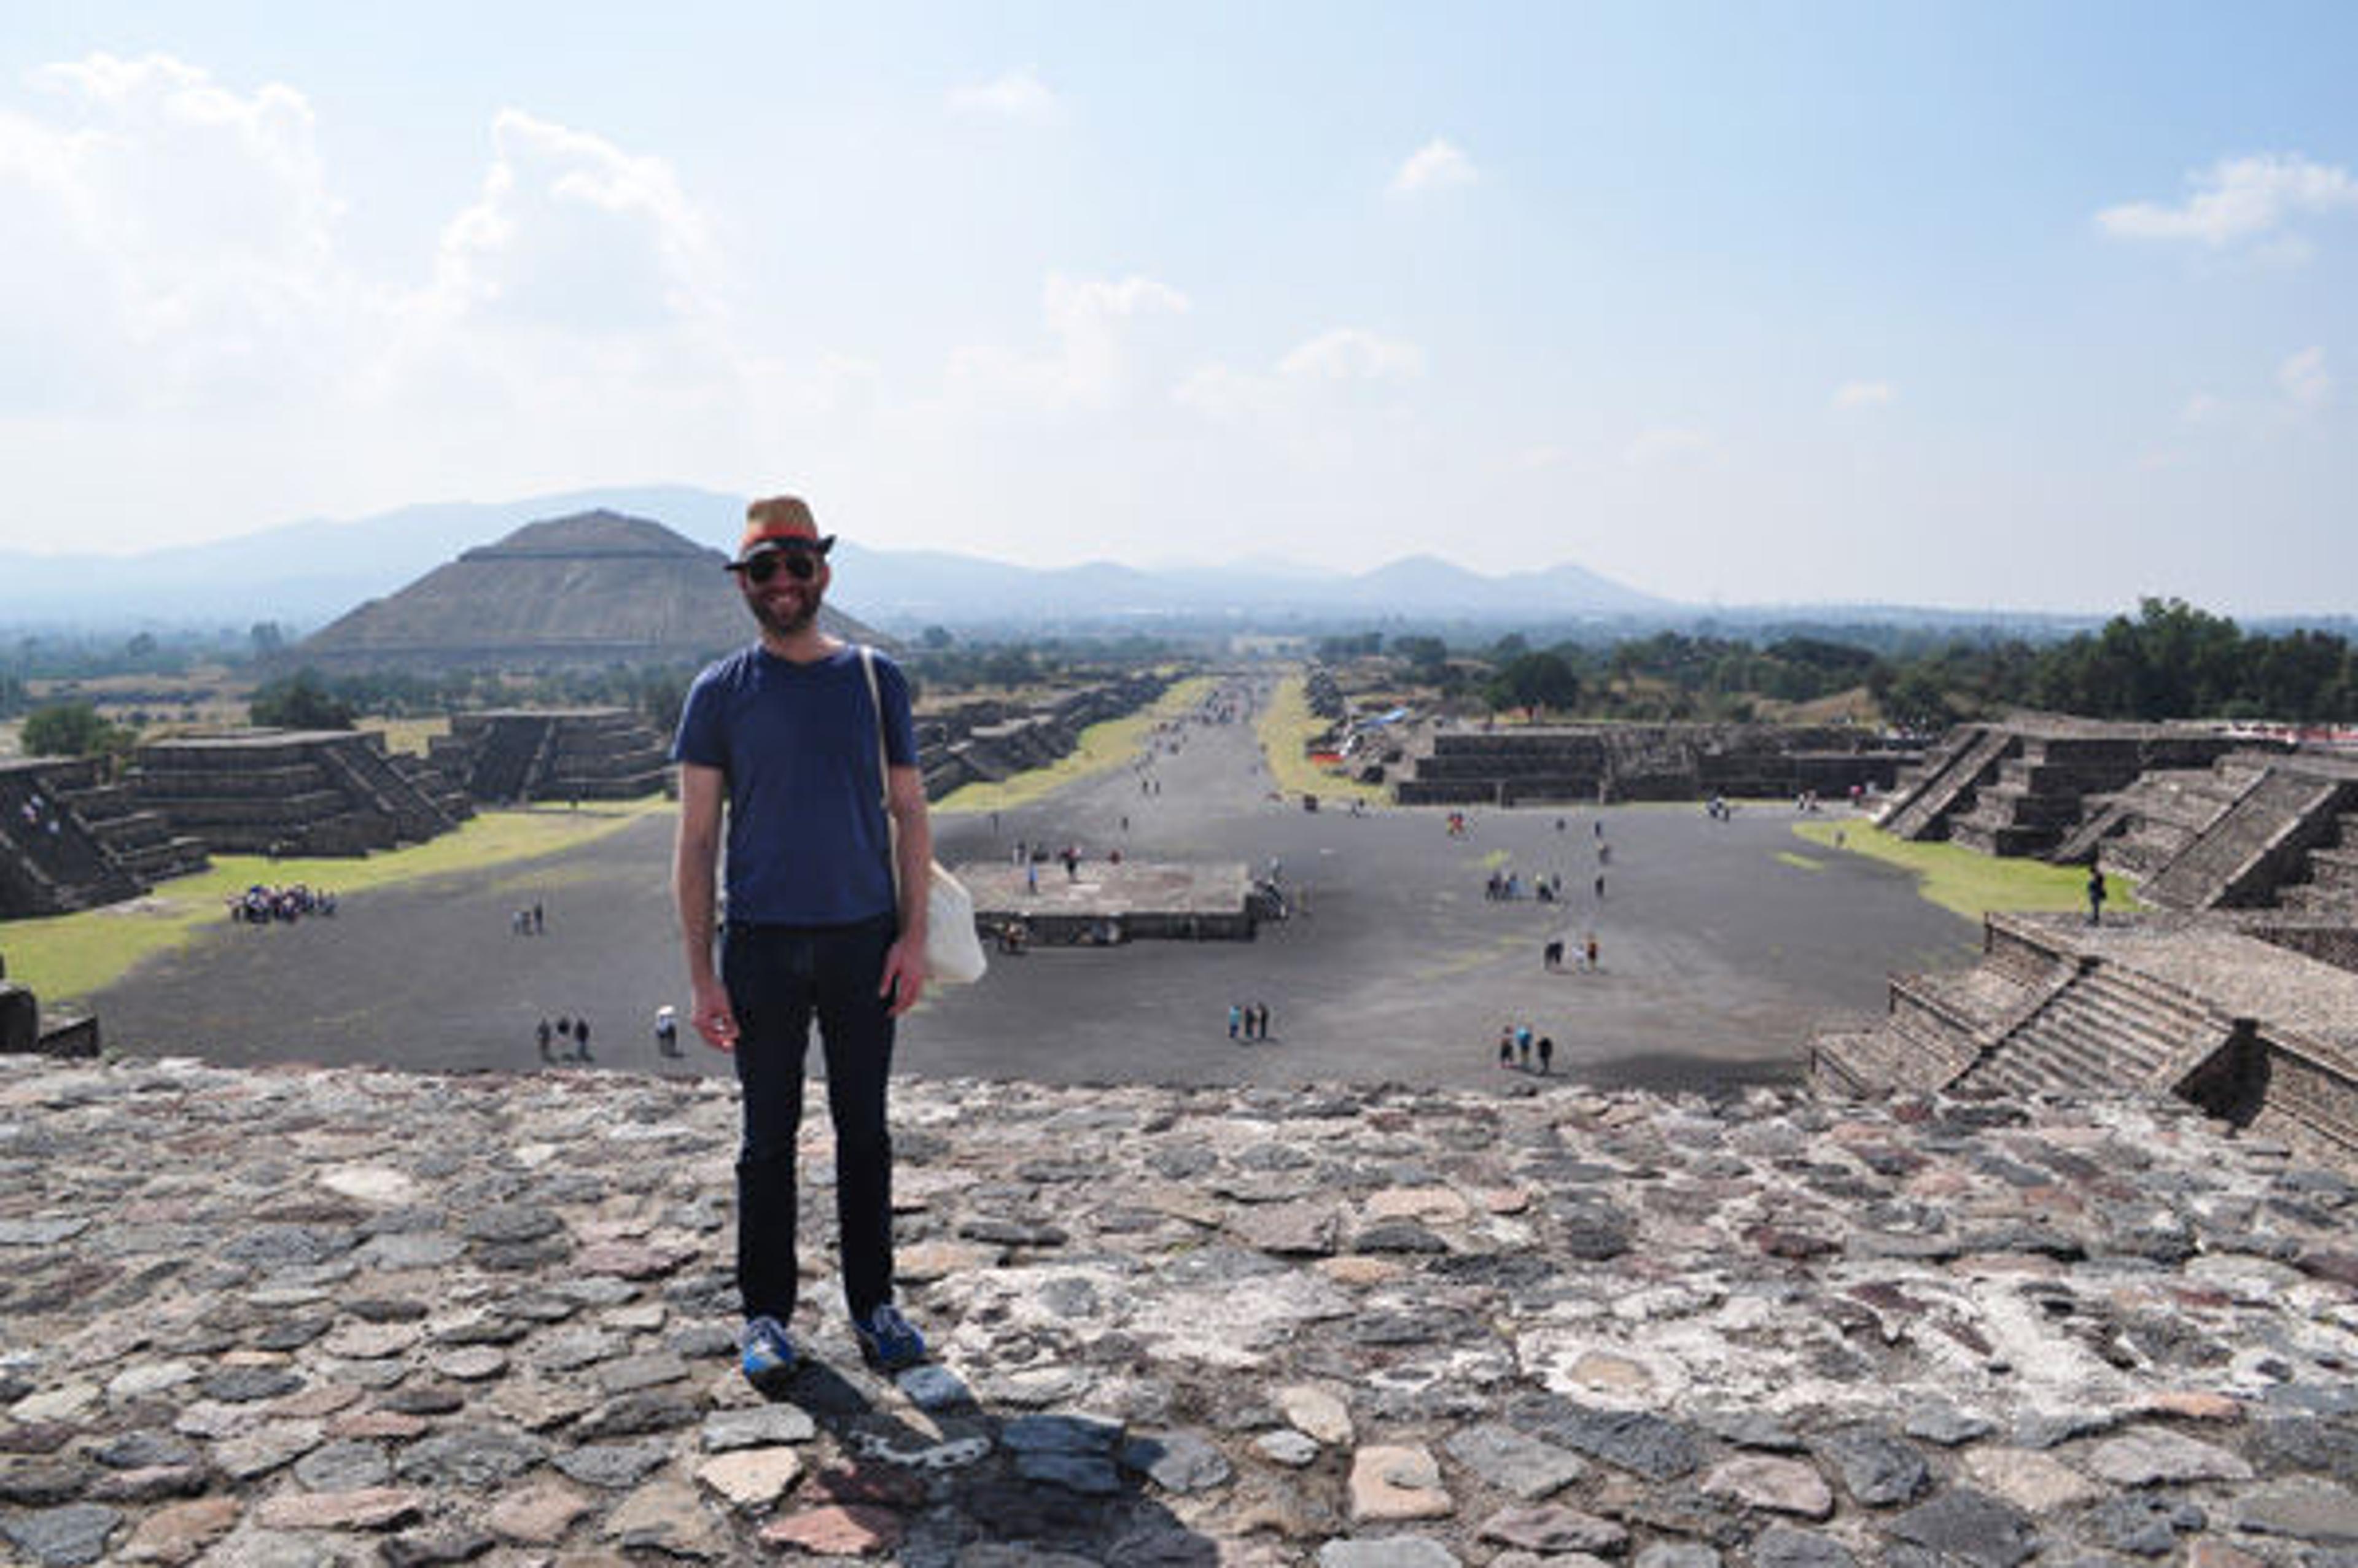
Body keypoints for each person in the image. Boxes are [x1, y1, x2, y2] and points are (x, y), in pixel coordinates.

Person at [672, 494, 932, 1388]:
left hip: (864, 940)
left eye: (797, 565)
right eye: (763, 570)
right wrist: (701, 973)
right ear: (743, 583)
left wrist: (914, 938)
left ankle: (874, 1302)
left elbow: (909, 813)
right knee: (765, 1139)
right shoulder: (719, 691)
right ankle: (767, 1317)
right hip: (761, 944)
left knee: (865, 1132)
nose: (782, 583)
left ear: (823, 571)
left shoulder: (874, 676)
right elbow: (698, 838)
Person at [2087, 856, 2106, 926]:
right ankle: (2095, 918)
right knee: (2095, 906)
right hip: (2094, 892)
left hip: (2096, 892)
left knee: (2095, 906)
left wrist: (2103, 891)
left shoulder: (2099, 876)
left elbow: (2101, 884)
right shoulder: (2097, 876)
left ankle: (2095, 919)